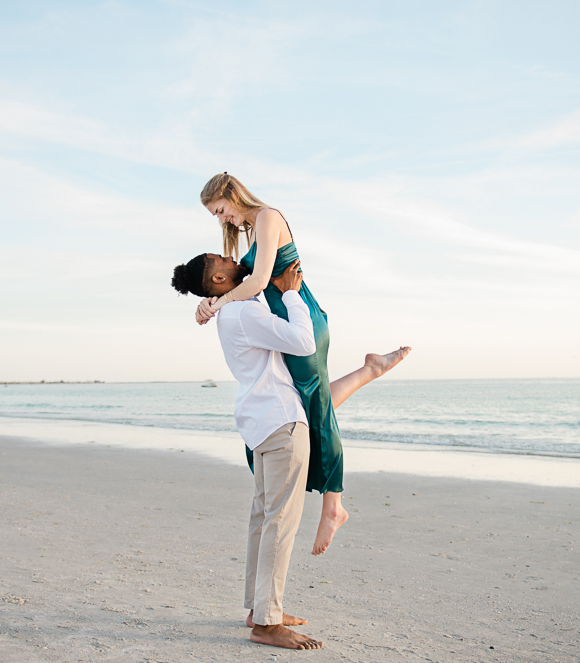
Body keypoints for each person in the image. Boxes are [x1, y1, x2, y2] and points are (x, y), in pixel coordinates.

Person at [193, 172, 409, 555]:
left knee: (315, 404)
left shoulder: (268, 217)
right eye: (216, 215)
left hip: (301, 320)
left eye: (220, 210)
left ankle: (334, 504)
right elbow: (230, 283)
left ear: (231, 194)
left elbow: (258, 282)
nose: (221, 219)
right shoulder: (251, 231)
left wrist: (219, 304)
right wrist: (207, 303)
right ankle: (370, 370)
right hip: (285, 325)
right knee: (306, 401)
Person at [173, 255, 321, 649]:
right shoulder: (242, 313)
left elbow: (245, 287)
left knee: (263, 518)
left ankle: (260, 610)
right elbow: (304, 342)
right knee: (279, 522)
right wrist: (291, 295)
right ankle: (268, 623)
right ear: (220, 278)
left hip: (261, 421)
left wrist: (210, 303)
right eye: (223, 259)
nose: (233, 256)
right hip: (280, 420)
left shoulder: (231, 310)